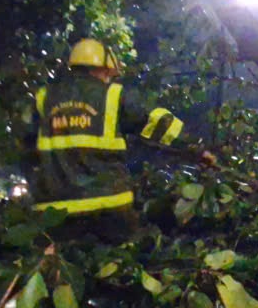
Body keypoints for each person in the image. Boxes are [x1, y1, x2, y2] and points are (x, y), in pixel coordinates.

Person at [26, 38, 207, 243]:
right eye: (109, 74)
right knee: (123, 259)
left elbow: (27, 149)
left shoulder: (44, 98)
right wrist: (196, 149)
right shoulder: (113, 95)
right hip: (108, 206)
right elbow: (156, 123)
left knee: (59, 267)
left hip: (54, 210)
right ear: (103, 69)